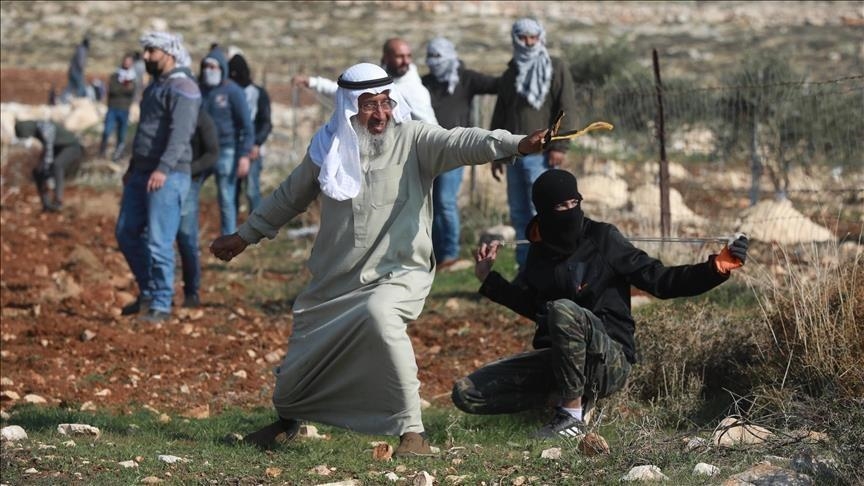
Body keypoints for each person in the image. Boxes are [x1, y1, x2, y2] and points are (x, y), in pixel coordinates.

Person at [209, 62, 548, 455]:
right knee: (302, 355)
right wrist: (245, 236)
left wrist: (516, 143)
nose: (381, 113)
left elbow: (462, 141)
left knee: (380, 315)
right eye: (369, 105)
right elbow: (289, 196)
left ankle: (413, 433)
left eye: (386, 103)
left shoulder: (415, 139)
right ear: (350, 108)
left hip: (398, 271)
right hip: (336, 278)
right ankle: (287, 421)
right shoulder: (328, 146)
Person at [452, 169, 749, 439]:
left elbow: (661, 280)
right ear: (543, 212)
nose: (571, 211)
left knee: (562, 310)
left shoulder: (602, 238)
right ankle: (560, 399)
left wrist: (716, 268)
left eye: (575, 202)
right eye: (561, 206)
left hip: (609, 361)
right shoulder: (538, 252)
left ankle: (570, 417)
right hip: (560, 360)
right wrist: (488, 279)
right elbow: (535, 308)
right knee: (466, 392)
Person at [115, 31, 200, 323]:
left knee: (159, 241)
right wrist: (132, 167)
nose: (146, 56)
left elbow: (180, 134)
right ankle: (149, 292)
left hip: (168, 174)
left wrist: (163, 168)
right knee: (126, 232)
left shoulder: (184, 87)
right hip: (141, 172)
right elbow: (145, 130)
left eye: (152, 51)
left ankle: (162, 304)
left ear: (169, 54)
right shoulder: (155, 87)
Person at [490, 18, 579, 267]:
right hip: (514, 154)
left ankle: (551, 267)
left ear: (541, 38)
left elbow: (567, 107)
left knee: (544, 212)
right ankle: (526, 270)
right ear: (515, 39)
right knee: (519, 215)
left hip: (542, 155)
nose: (528, 42)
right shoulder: (511, 73)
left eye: (533, 37)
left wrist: (559, 145)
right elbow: (501, 113)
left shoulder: (555, 67)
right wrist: (495, 152)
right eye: (523, 37)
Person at [422, 36, 500, 271]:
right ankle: (435, 254)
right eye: (430, 56)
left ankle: (450, 253)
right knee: (431, 204)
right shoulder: (425, 83)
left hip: (454, 150)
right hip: (428, 151)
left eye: (439, 56)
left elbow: (496, 85)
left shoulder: (465, 79)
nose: (434, 61)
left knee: (445, 201)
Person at [292, 38, 438, 125]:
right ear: (386, 57)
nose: (405, 61)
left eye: (408, 56)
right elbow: (349, 93)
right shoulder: (377, 77)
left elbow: (429, 126)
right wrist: (312, 82)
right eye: (400, 56)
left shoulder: (414, 90)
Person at [198, 47, 255, 236]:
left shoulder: (233, 92)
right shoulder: (200, 91)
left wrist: (244, 155)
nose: (208, 70)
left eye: (213, 67)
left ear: (222, 68)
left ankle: (228, 237)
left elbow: (247, 126)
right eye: (206, 66)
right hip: (203, 151)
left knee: (226, 196)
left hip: (226, 150)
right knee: (190, 190)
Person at [176, 109, 220, 308]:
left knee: (186, 238)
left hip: (189, 181)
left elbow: (212, 153)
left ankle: (191, 292)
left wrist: (190, 170)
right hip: (162, 181)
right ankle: (158, 293)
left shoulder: (201, 117)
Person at [228, 53, 272, 215]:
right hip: (232, 148)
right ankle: (231, 226)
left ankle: (257, 225)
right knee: (231, 191)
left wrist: (256, 143)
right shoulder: (228, 92)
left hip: (253, 151)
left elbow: (265, 122)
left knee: (252, 190)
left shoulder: (258, 93)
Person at [14, 120, 85, 213]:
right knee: (38, 172)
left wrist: (48, 177)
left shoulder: (46, 130)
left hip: (71, 147)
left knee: (57, 165)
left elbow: (49, 154)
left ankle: (58, 201)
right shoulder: (38, 128)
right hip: (58, 149)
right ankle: (46, 204)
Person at [100, 53, 137, 162]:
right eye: (126, 61)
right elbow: (113, 90)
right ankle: (102, 151)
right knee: (107, 131)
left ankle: (118, 154)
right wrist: (124, 87)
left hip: (124, 109)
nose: (127, 63)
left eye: (129, 61)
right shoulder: (115, 76)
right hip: (113, 107)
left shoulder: (133, 77)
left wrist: (124, 88)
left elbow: (132, 91)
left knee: (121, 134)